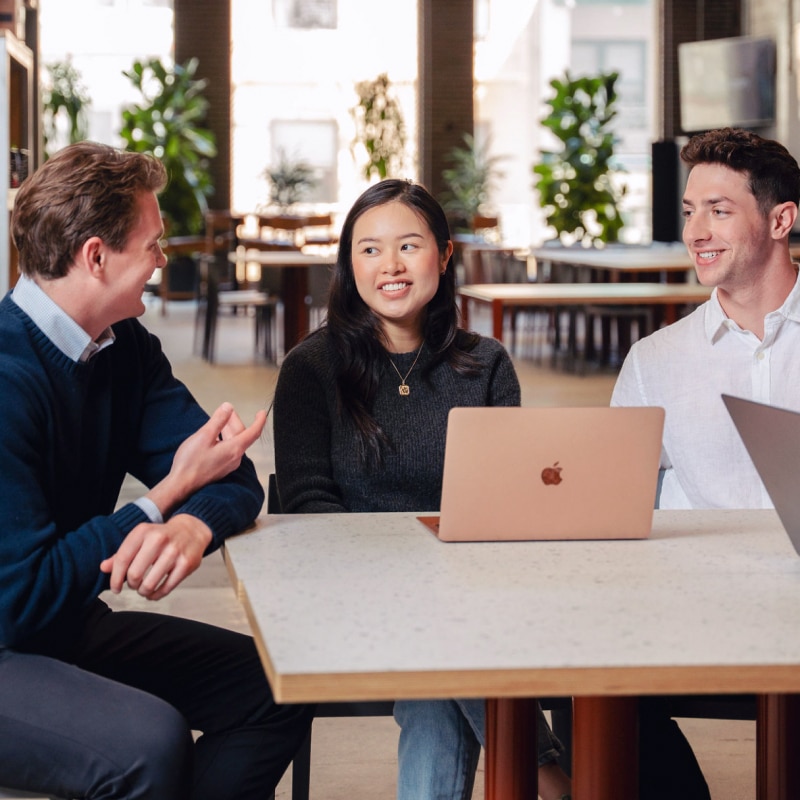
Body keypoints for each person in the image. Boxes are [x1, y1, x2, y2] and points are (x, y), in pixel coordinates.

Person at [0, 141, 314, 800]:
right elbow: (21, 596)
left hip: (64, 626)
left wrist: (191, 529)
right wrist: (164, 497)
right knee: (149, 743)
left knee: (276, 686)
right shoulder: (6, 377)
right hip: (9, 636)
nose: (162, 262)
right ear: (96, 255)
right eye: (153, 245)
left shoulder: (124, 349)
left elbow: (230, 474)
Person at [272, 178, 572, 800]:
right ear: (348, 263)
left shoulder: (485, 364)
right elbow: (306, 506)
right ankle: (546, 774)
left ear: (444, 253)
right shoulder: (311, 367)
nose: (391, 266)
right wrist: (405, 574)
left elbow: (506, 500)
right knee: (444, 634)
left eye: (408, 246)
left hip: (467, 600)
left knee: (440, 662)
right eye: (370, 249)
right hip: (349, 588)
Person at [611, 126, 800, 798]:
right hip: (694, 608)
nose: (697, 231)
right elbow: (614, 503)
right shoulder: (657, 360)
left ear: (781, 219)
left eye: (719, 210)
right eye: (690, 211)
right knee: (586, 678)